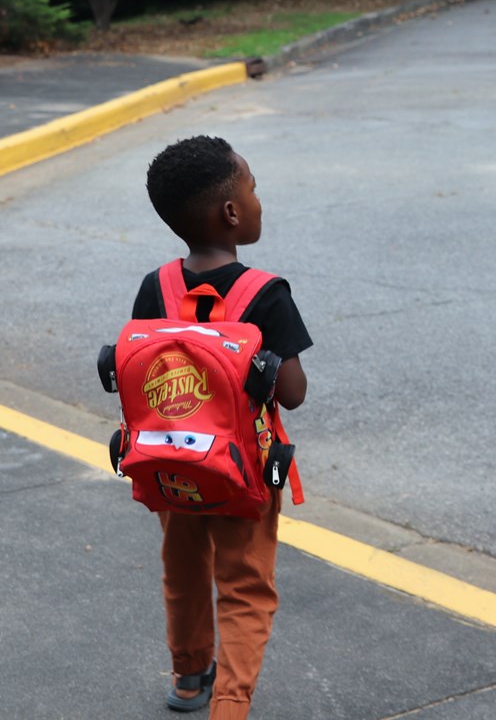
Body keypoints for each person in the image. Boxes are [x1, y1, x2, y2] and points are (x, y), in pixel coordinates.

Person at [133, 135, 311, 718]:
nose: (258, 200)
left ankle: (189, 679)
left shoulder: (155, 285)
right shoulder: (266, 294)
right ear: (232, 212)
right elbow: (292, 393)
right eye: (253, 189)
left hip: (172, 466)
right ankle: (231, 705)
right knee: (244, 586)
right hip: (244, 472)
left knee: (182, 571)